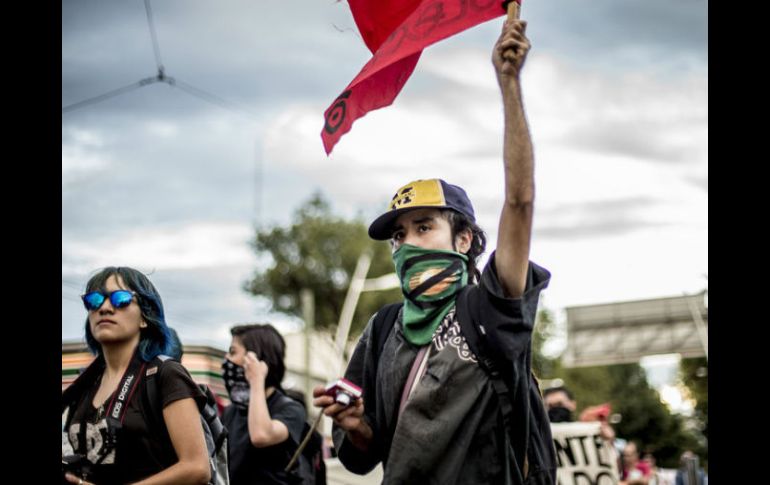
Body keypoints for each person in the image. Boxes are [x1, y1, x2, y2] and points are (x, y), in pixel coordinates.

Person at [313, 17, 555, 484]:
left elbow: (520, 202)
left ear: (463, 240)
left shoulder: (491, 307)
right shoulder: (383, 329)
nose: (407, 244)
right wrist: (355, 425)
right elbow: (366, 453)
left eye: (424, 227)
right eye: (399, 235)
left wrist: (509, 85)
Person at [61, 266, 211, 484]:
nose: (104, 308)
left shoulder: (165, 374)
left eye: (120, 299)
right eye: (94, 300)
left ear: (145, 318)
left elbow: (197, 467)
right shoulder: (84, 386)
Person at [221, 324, 308, 485]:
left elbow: (261, 435)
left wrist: (256, 380)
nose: (227, 358)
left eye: (233, 352)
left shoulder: (291, 408)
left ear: (256, 358)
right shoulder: (230, 412)